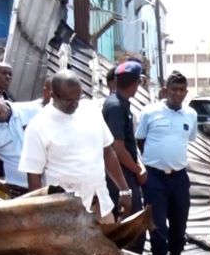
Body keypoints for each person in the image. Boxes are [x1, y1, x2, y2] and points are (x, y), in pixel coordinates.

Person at [19, 71, 132, 221]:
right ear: (53, 96)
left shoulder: (91, 111)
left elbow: (107, 152)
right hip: (63, 213)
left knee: (110, 243)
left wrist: (124, 190)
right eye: (68, 100)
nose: (75, 104)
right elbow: (34, 175)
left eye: (77, 98)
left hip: (99, 204)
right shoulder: (38, 126)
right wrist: (40, 215)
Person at [136, 71, 197, 255]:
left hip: (179, 177)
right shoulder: (149, 112)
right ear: (165, 90)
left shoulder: (191, 114)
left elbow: (189, 140)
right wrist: (152, 161)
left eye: (182, 90)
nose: (178, 93)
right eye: (174, 89)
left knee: (180, 220)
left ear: (186, 92)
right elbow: (140, 140)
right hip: (155, 177)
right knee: (157, 223)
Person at [104, 61, 147, 244]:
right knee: (130, 226)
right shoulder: (115, 106)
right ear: (136, 83)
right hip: (119, 175)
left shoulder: (122, 103)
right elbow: (118, 149)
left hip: (126, 171)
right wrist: (138, 171)